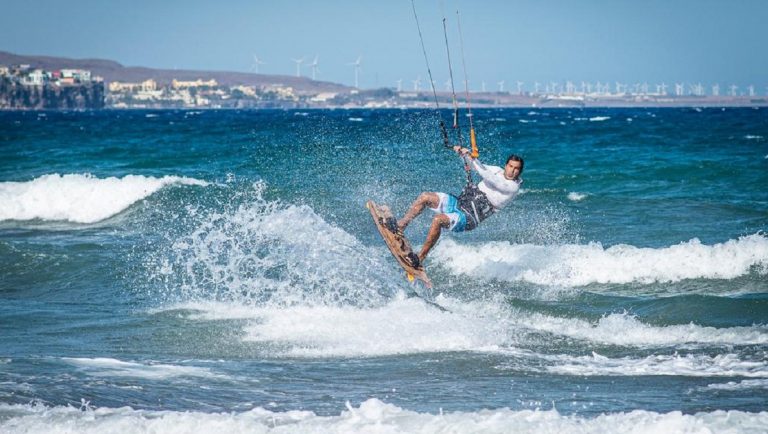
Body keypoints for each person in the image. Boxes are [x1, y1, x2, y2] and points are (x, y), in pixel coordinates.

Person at [394, 146, 524, 268]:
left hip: (468, 218)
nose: (512, 170)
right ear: (506, 165)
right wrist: (464, 154)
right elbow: (476, 166)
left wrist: (472, 157)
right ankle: (401, 226)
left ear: (520, 171)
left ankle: (420, 257)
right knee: (425, 197)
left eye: (516, 168)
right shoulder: (497, 170)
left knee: (438, 220)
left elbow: (490, 178)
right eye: (510, 166)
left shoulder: (512, 187)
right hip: (459, 203)